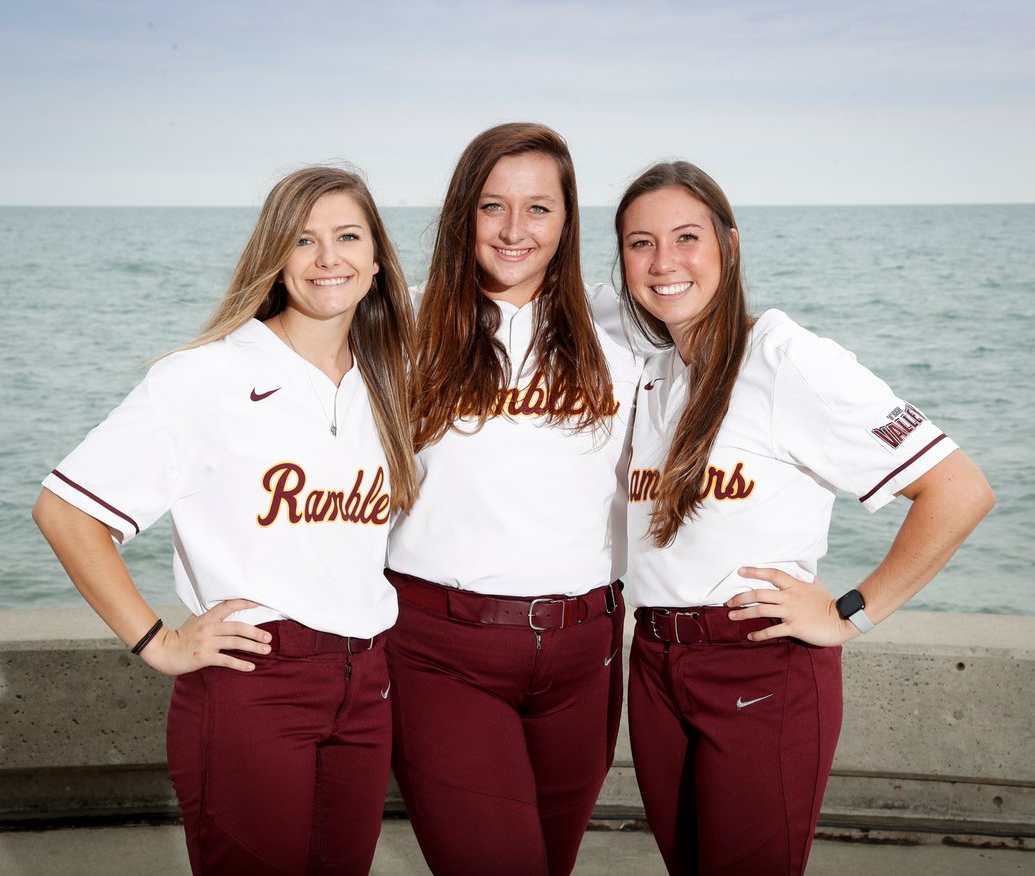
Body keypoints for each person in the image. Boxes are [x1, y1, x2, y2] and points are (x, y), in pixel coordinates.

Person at [31, 166, 419, 876]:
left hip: (365, 684)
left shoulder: (391, 377)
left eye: (347, 236)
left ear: (377, 257)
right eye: (304, 240)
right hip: (255, 685)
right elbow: (66, 510)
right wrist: (159, 642)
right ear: (276, 256)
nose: (328, 258)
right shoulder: (205, 378)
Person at [615, 160, 995, 875]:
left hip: (760, 662)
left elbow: (959, 488)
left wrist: (852, 612)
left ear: (729, 246)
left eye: (686, 237)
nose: (664, 262)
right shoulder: (654, 367)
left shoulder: (788, 360)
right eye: (640, 243)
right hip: (657, 661)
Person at [383, 122, 641, 876]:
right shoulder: (402, 327)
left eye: (539, 208)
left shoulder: (620, 328)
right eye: (493, 206)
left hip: (585, 655)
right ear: (463, 213)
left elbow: (726, 357)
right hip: (443, 653)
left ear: (567, 221)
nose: (514, 230)